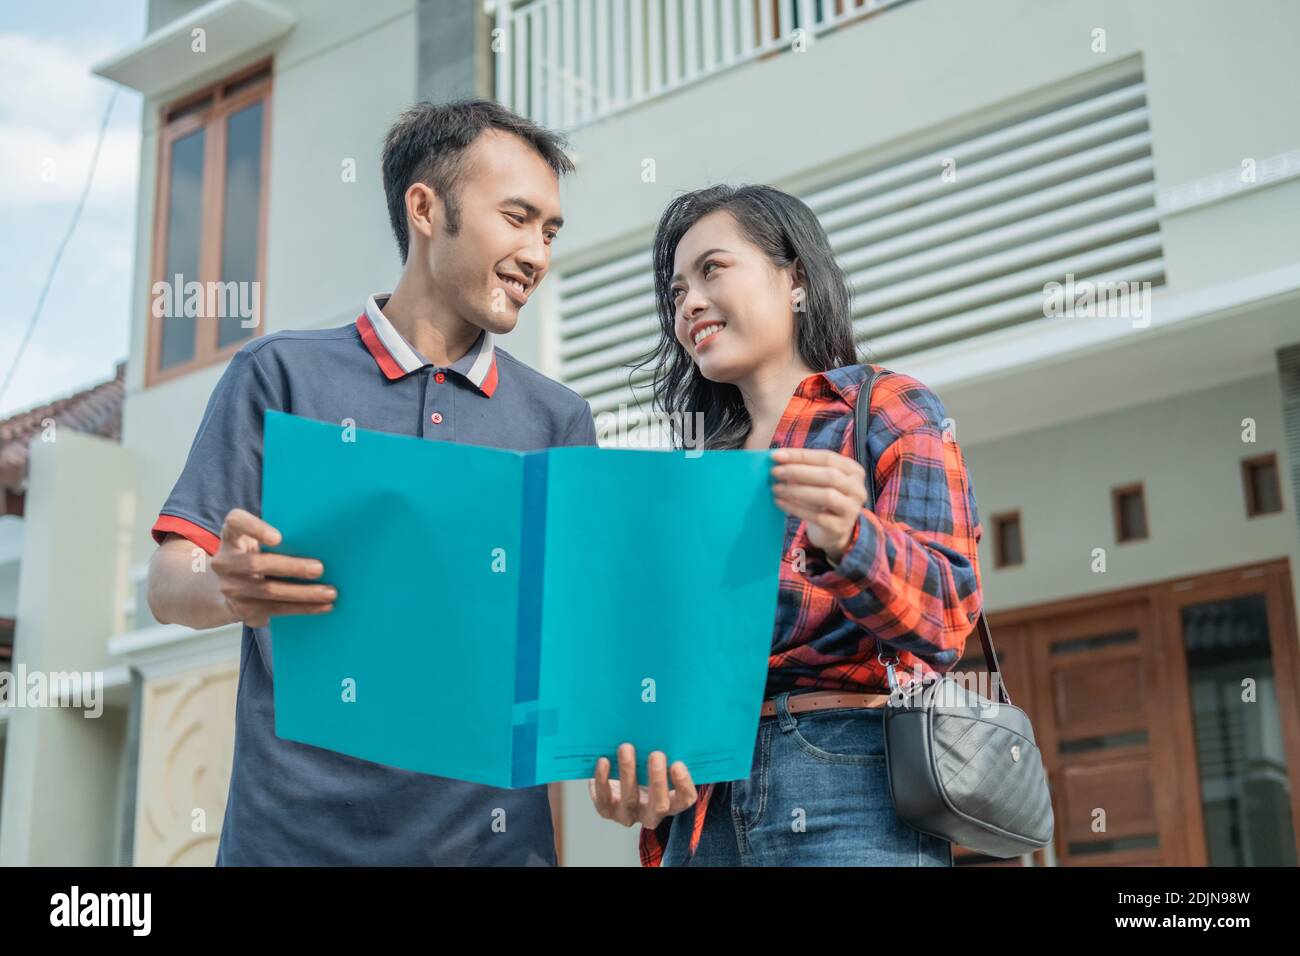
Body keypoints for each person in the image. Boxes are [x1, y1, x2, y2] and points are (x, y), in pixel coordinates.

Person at [147, 99, 596, 865]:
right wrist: (230, 585)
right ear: (426, 208)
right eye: (517, 218)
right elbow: (168, 581)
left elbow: (575, 646)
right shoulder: (280, 374)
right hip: (291, 845)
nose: (537, 254)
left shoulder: (557, 419)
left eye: (549, 231)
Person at [588, 184, 984, 866]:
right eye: (675, 291)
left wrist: (849, 538)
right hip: (703, 803)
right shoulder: (691, 474)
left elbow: (947, 616)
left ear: (795, 277)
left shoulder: (887, 406)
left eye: (712, 270)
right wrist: (639, 768)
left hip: (849, 781)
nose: (688, 303)